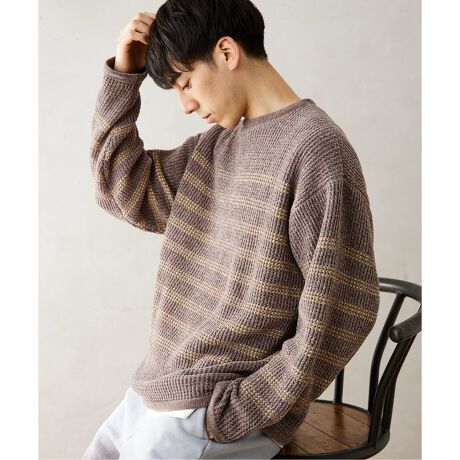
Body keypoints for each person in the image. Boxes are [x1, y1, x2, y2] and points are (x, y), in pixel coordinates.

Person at [83, 0, 380, 458]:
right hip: (156, 391)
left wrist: (241, 409)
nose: (186, 106)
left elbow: (343, 309)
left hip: (214, 410)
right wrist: (125, 75)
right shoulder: (216, 146)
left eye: (186, 83)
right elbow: (120, 188)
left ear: (226, 52)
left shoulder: (316, 151)